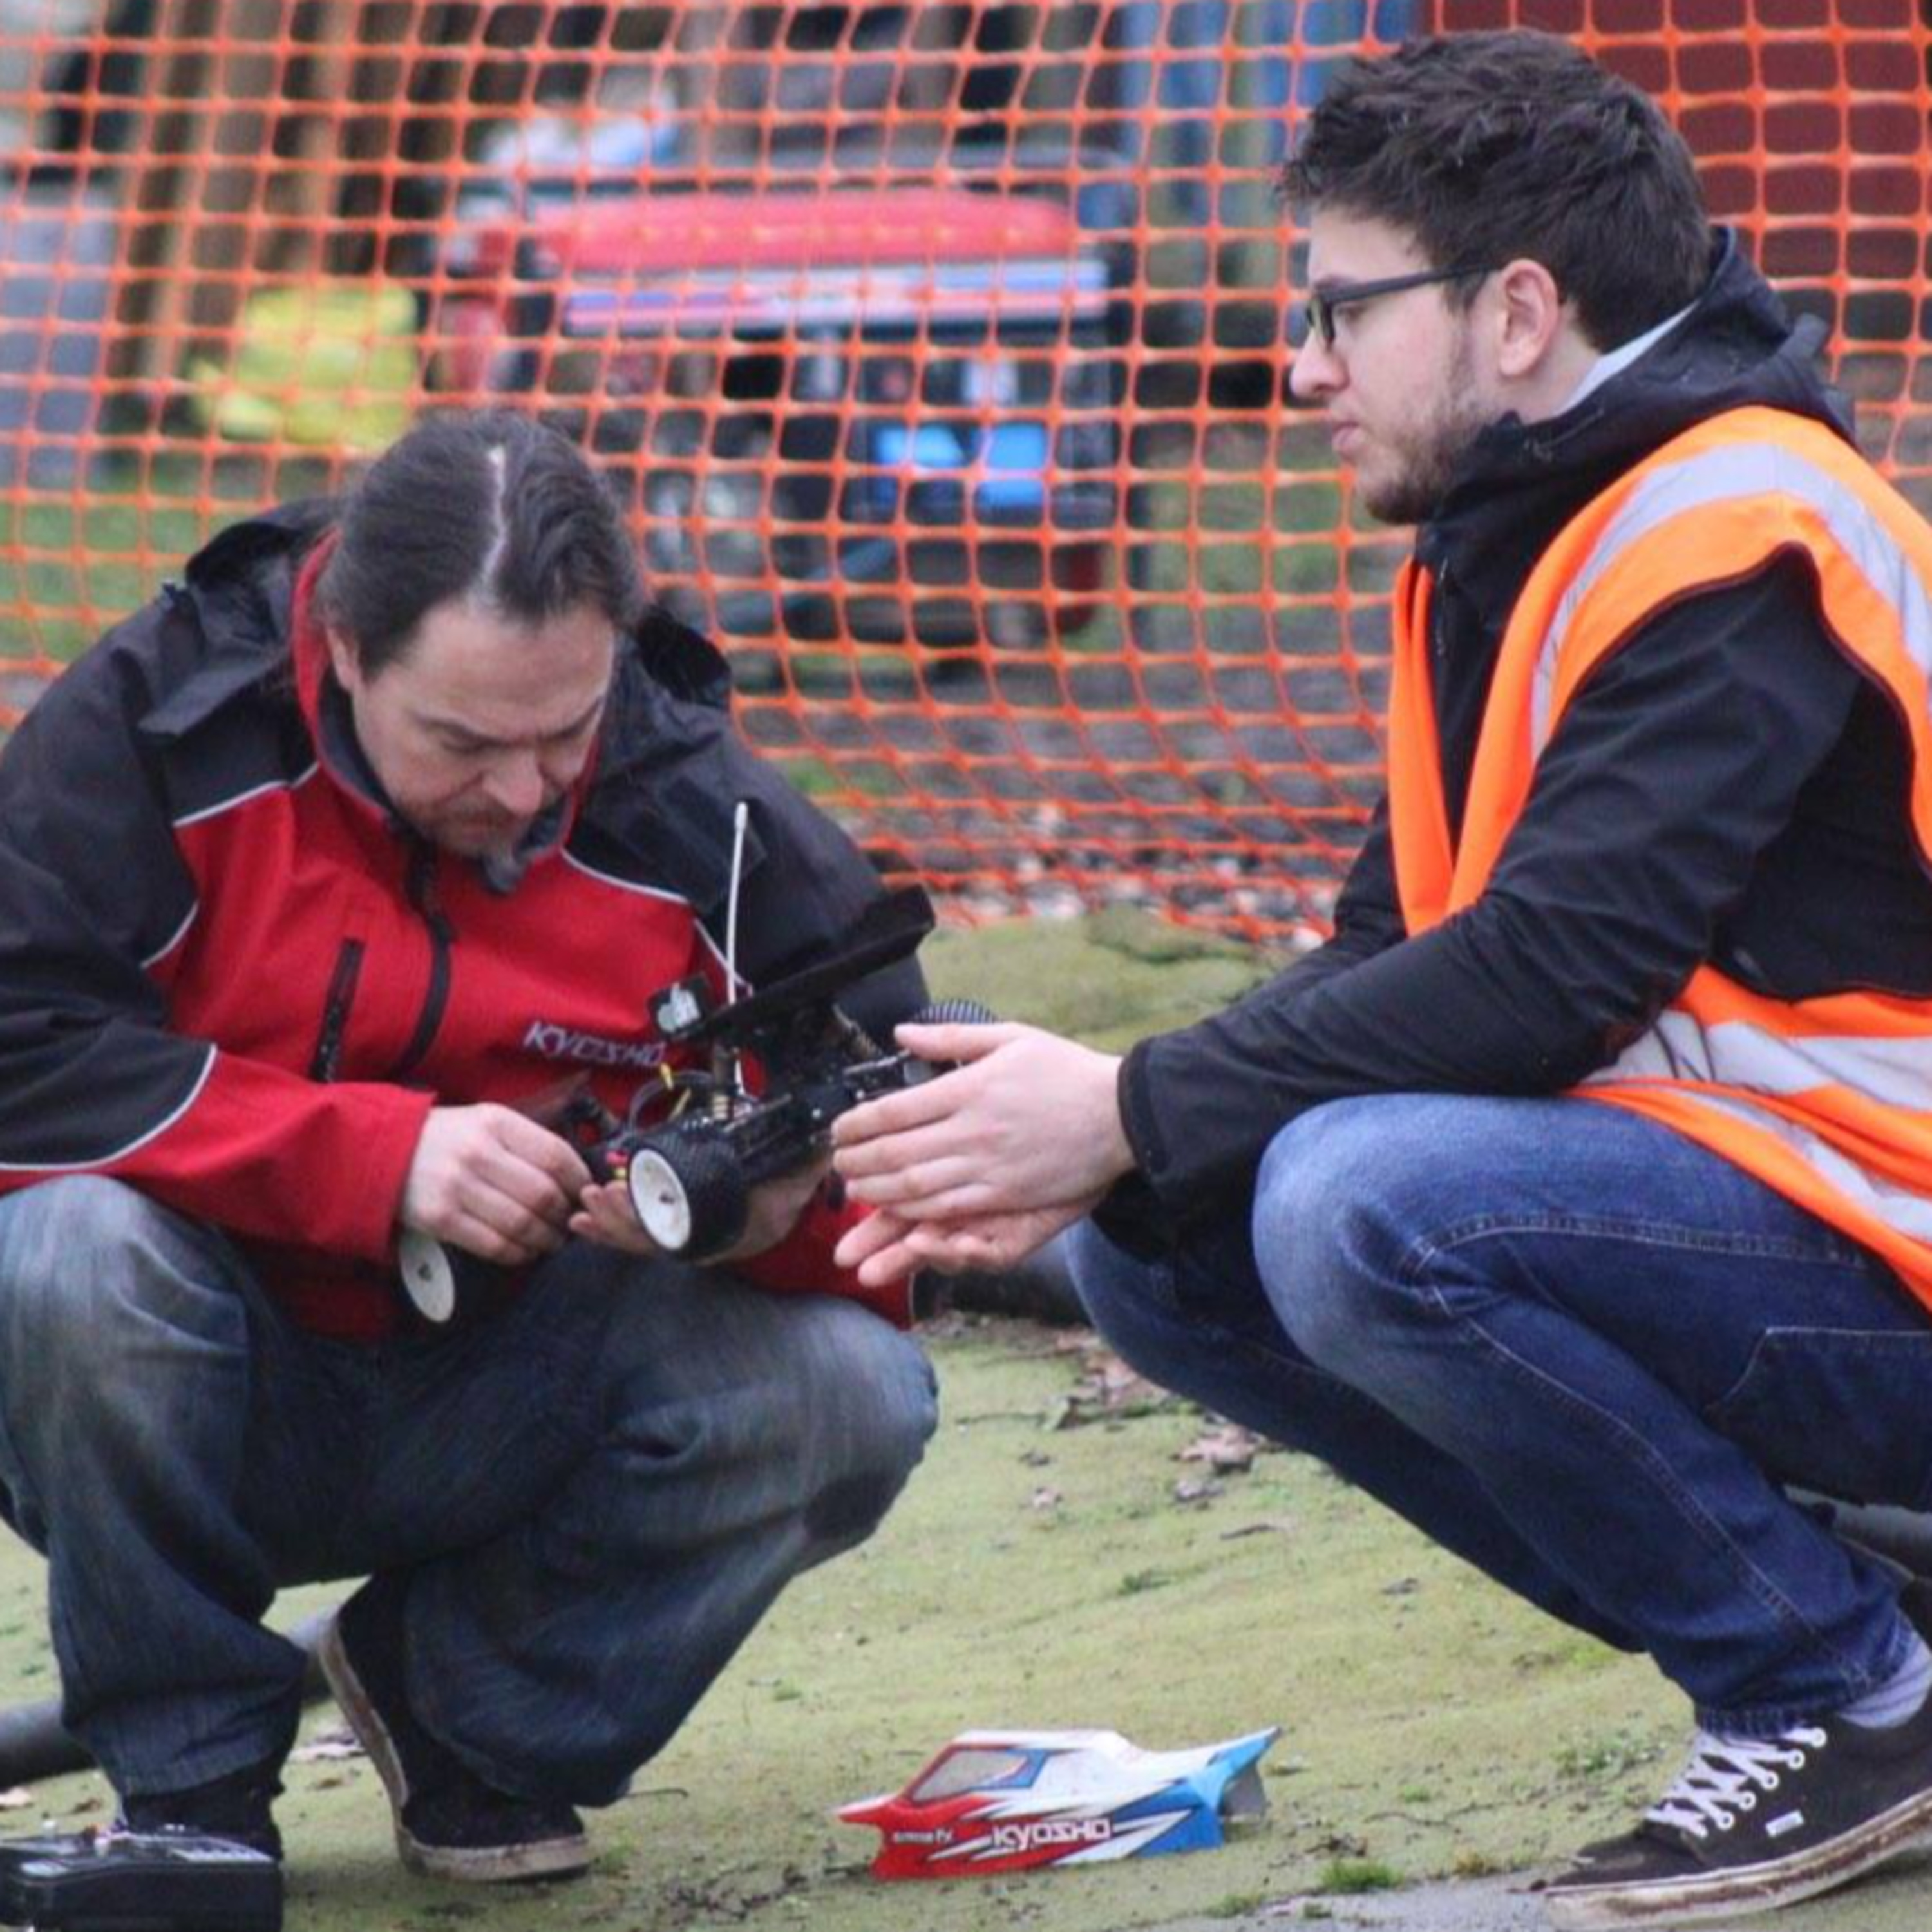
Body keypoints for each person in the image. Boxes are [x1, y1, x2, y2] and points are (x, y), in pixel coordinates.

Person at [831, 29, 1932, 1928]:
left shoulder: (1738, 515)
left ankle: (1835, 1694)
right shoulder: (1527, 523)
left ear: (1517, 310)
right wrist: (1093, 1143)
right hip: (1812, 1246)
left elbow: (1542, 978)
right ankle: (1859, 1625)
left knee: (1357, 1203)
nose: (1302, 366)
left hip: (1889, 1256)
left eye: (1343, 308)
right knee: (1165, 1240)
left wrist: (1121, 1103)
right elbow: (1392, 947)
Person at [0, 409, 937, 1882]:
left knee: (858, 1392)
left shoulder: (698, 801)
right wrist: (376, 1157)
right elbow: (18, 1050)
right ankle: (188, 1799)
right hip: (186, 1377)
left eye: (567, 732)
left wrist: (758, 1215)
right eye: (463, 741)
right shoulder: (154, 723)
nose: (521, 792)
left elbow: (904, 1140)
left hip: (510, 1386)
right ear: (346, 647)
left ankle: (465, 1718)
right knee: (72, 1250)